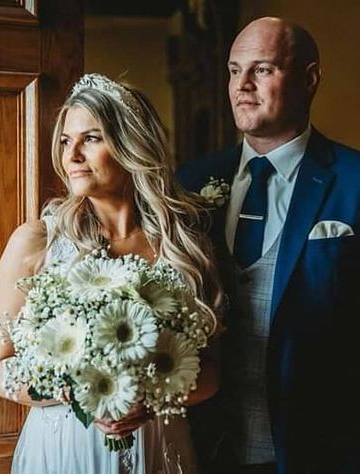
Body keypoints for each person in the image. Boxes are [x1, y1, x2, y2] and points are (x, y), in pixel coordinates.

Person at [0, 73, 223, 473]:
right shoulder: (37, 242)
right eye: (65, 141)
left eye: (90, 138)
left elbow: (211, 372)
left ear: (133, 145)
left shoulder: (184, 247)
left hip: (158, 445)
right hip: (64, 448)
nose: (72, 154)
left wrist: (147, 397)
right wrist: (84, 391)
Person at [177, 16, 360, 474]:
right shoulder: (190, 184)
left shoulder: (355, 181)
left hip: (320, 450)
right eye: (234, 70)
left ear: (309, 79)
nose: (242, 86)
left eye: (262, 70)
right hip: (205, 449)